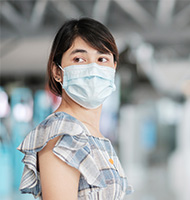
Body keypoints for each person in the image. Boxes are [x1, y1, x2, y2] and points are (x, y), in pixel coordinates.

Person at [17, 17, 133, 200]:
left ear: (114, 68)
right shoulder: (62, 133)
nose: (93, 67)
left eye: (102, 58)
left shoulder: (93, 135)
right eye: (79, 59)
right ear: (57, 72)